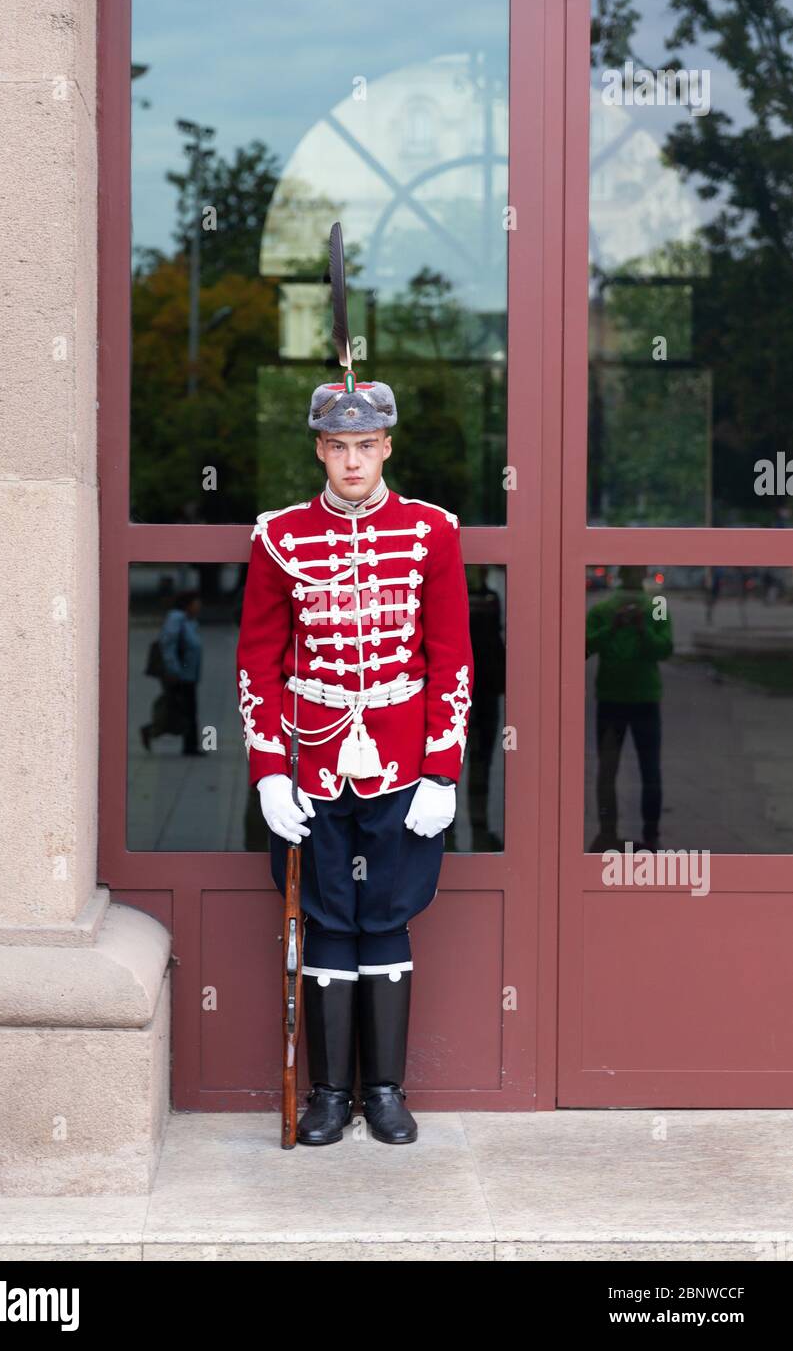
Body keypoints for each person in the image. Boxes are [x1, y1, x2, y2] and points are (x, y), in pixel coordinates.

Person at [235, 377, 474, 1145]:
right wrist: (269, 772)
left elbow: (453, 661)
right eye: (337, 447)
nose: (351, 462)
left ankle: (386, 1091)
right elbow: (257, 664)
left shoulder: (433, 533)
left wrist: (443, 771)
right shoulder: (280, 537)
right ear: (319, 450)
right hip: (312, 762)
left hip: (402, 764)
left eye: (365, 446)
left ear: (387, 448)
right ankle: (331, 1094)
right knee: (327, 918)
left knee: (389, 917)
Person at [585, 565, 673, 853]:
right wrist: (614, 627)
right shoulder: (604, 609)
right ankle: (608, 831)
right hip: (614, 698)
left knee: (649, 770)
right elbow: (582, 647)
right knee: (609, 769)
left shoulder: (655, 606)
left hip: (643, 698)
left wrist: (641, 627)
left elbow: (665, 648)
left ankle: (651, 833)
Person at [141, 589, 205, 757]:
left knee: (183, 709)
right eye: (196, 603)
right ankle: (155, 732)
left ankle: (188, 744)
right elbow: (168, 644)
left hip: (187, 675)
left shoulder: (188, 621)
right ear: (188, 604)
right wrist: (173, 669)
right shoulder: (176, 619)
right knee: (180, 709)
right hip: (179, 675)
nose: (199, 606)